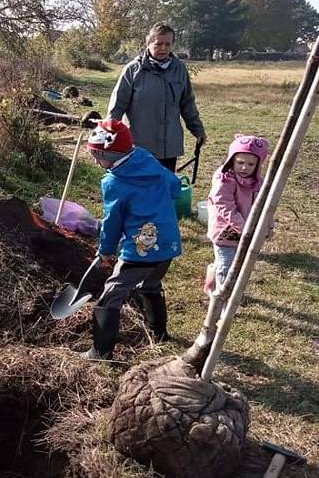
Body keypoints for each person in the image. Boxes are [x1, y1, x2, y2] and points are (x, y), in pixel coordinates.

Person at [80, 119, 183, 361]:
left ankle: (100, 351)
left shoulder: (113, 182)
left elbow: (112, 221)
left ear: (113, 156)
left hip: (141, 250)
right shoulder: (146, 158)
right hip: (169, 244)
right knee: (151, 285)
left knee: (111, 295)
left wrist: (105, 251)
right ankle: (159, 334)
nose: (96, 162)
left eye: (98, 156)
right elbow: (175, 186)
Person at [108, 22, 207, 172]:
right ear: (148, 43)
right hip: (138, 147)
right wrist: (109, 132)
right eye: (158, 44)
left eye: (168, 44)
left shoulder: (179, 69)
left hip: (168, 148)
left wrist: (198, 130)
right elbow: (117, 105)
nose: (163, 48)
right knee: (139, 191)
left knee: (163, 191)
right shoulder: (133, 70)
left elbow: (187, 104)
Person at [204, 134, 270, 292]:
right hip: (224, 231)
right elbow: (224, 205)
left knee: (236, 262)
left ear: (258, 165)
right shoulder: (224, 180)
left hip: (245, 231)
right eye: (240, 162)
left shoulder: (258, 182)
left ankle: (212, 278)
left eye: (250, 164)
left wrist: (269, 225)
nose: (244, 167)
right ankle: (221, 298)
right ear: (231, 159)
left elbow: (265, 205)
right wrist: (244, 227)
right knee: (226, 265)